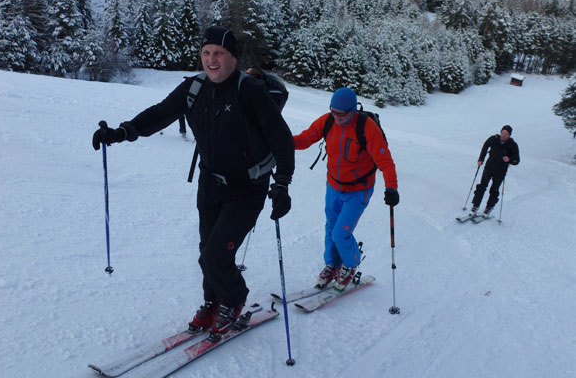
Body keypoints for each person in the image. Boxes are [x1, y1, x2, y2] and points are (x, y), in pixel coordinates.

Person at [92, 26, 295, 337]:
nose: (211, 60)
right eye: (206, 53)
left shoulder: (249, 91)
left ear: (232, 57)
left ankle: (234, 299)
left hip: (247, 187)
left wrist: (282, 184)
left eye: (219, 53)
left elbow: (282, 140)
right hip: (210, 184)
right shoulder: (194, 87)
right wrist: (122, 132)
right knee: (207, 252)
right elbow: (160, 114)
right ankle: (212, 302)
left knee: (216, 255)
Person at [293, 88, 399, 292]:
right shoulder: (327, 121)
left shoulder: (366, 127)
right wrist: (280, 141)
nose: (337, 117)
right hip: (333, 186)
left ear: (353, 110)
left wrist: (391, 188)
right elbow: (304, 140)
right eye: (333, 112)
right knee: (330, 228)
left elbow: (385, 161)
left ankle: (350, 264)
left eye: (341, 114)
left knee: (341, 233)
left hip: (359, 190)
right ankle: (332, 264)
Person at [470, 125, 520, 215]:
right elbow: (485, 147)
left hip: (501, 170)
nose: (504, 135)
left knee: (494, 189)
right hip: (489, 166)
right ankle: (475, 205)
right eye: (503, 133)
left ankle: (489, 207)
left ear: (510, 135)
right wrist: (481, 159)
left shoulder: (512, 145)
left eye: (506, 134)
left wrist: (509, 159)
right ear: (500, 132)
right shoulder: (494, 139)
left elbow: (517, 160)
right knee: (482, 185)